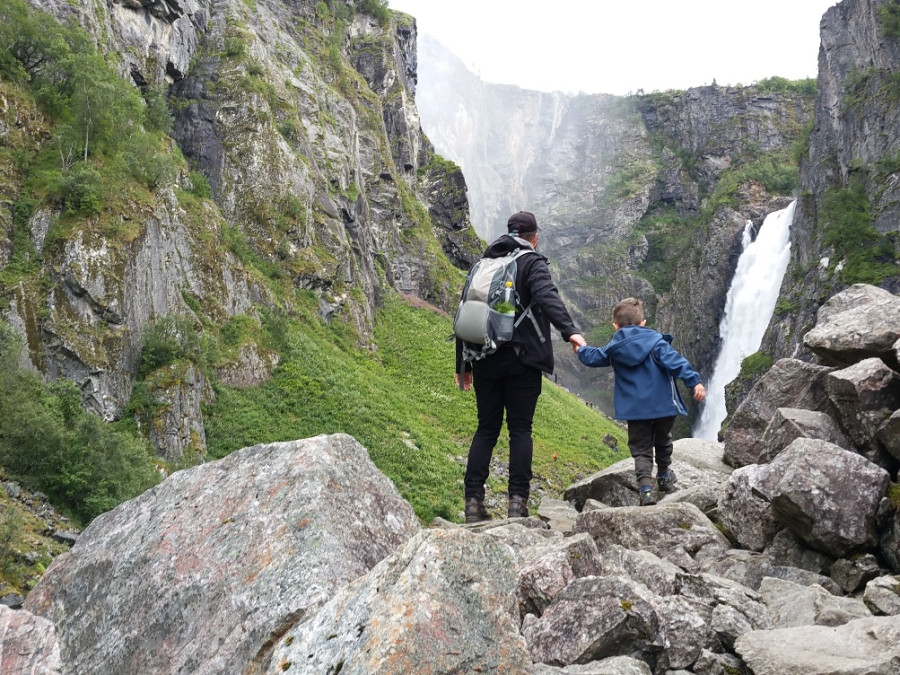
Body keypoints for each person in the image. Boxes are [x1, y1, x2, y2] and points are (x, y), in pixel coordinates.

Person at [457, 211, 585, 523]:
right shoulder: (531, 262)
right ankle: (517, 503)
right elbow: (547, 296)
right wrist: (571, 332)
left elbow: (464, 312)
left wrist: (463, 364)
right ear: (534, 236)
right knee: (520, 430)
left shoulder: (483, 264)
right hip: (521, 361)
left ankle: (473, 503)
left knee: (486, 429)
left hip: (483, 357)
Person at [576, 297, 706, 506]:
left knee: (642, 448)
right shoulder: (657, 343)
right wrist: (695, 382)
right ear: (643, 322)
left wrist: (581, 348)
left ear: (615, 326)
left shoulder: (615, 348)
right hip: (664, 406)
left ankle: (646, 488)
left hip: (635, 410)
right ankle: (663, 476)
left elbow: (594, 357)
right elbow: (677, 363)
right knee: (663, 440)